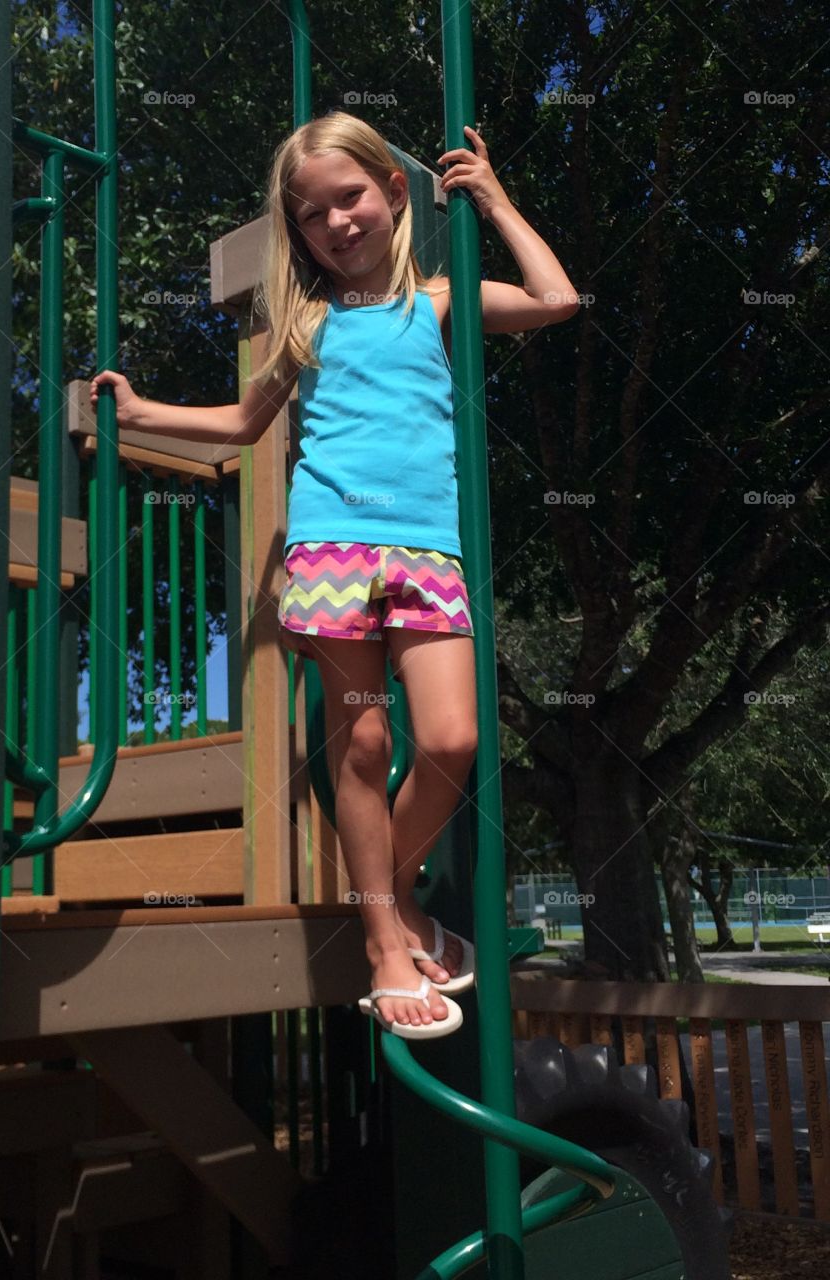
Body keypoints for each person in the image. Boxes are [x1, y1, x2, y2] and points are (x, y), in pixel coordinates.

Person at [91, 111, 578, 1039]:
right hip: (330, 555)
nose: (336, 223)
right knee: (359, 747)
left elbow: (557, 302)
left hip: (428, 552)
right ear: (301, 233)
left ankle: (383, 900)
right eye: (312, 215)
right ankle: (387, 945)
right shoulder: (306, 321)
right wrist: (144, 407)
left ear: (394, 194)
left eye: (350, 197)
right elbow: (241, 426)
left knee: (450, 739)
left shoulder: (442, 302)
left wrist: (495, 198)